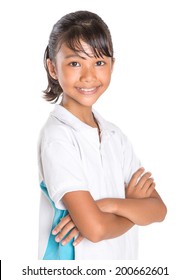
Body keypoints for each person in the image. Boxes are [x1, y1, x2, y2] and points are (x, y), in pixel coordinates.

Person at [38, 10, 167, 260]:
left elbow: (159, 210)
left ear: (112, 65)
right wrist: (131, 208)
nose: (89, 76)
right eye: (75, 63)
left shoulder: (114, 136)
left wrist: (107, 205)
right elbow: (95, 230)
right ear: (53, 68)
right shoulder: (58, 137)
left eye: (99, 62)